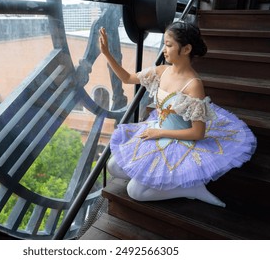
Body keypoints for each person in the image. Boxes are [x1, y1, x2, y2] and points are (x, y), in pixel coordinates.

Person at [99, 21, 257, 207]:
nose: (164, 49)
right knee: (113, 166)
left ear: (186, 49)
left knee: (135, 192)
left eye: (168, 45)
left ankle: (190, 189)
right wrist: (107, 54)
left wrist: (160, 133)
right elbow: (127, 78)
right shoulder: (162, 71)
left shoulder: (193, 85)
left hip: (178, 140)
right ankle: (155, 177)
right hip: (157, 130)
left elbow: (198, 133)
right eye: (164, 44)